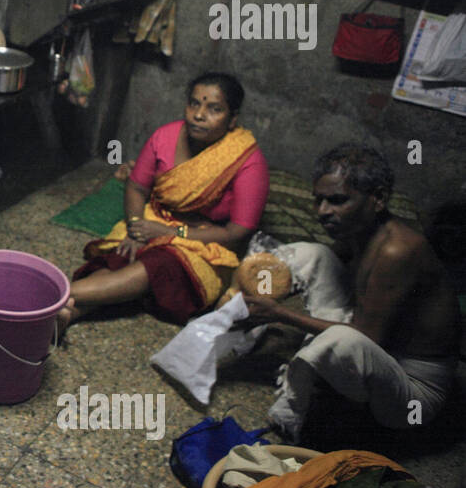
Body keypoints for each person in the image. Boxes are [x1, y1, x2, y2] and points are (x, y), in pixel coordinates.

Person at [239, 144, 461, 440]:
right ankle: (243, 334)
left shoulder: (398, 250)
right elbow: (318, 274)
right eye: (318, 201)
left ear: (378, 198)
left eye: (337, 201)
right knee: (313, 254)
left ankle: (294, 415)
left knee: (341, 341)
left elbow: (365, 338)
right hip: (376, 345)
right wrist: (259, 294)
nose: (322, 212)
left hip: (412, 393)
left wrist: (279, 315)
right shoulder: (356, 231)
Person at [58, 72, 269, 331]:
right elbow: (136, 186)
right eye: (194, 104)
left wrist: (171, 232)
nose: (199, 115)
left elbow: (237, 232)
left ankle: (53, 294)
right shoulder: (165, 137)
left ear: (232, 118)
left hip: (205, 242)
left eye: (214, 109)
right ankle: (67, 313)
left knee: (159, 264)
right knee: (123, 256)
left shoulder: (246, 160)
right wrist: (136, 227)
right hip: (152, 220)